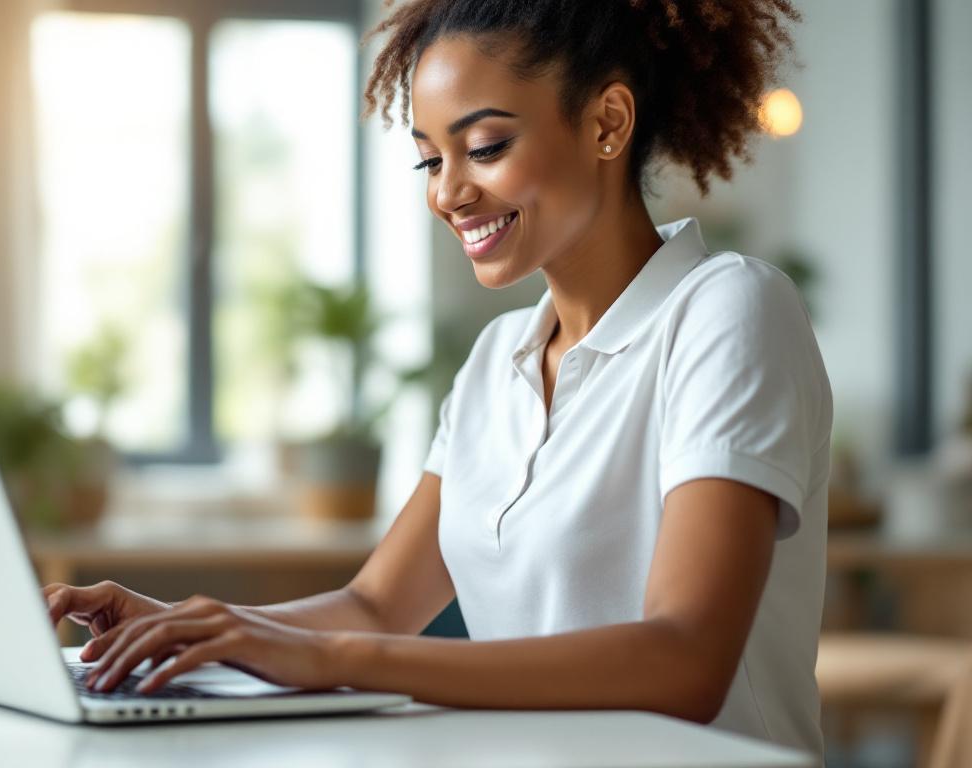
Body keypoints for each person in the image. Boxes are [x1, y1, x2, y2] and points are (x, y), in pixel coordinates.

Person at [44, 0, 829, 756]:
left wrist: (340, 663)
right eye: (430, 158)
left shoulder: (727, 309)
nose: (447, 192)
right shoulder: (496, 362)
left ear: (607, 122)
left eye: (484, 147)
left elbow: (682, 662)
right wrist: (189, 627)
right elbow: (376, 606)